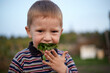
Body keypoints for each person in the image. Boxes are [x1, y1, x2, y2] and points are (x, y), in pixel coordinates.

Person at [8, 0, 78, 73]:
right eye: (40, 31)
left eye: (54, 31)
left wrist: (63, 69)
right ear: (29, 31)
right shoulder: (21, 59)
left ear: (60, 33)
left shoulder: (65, 58)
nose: (47, 38)